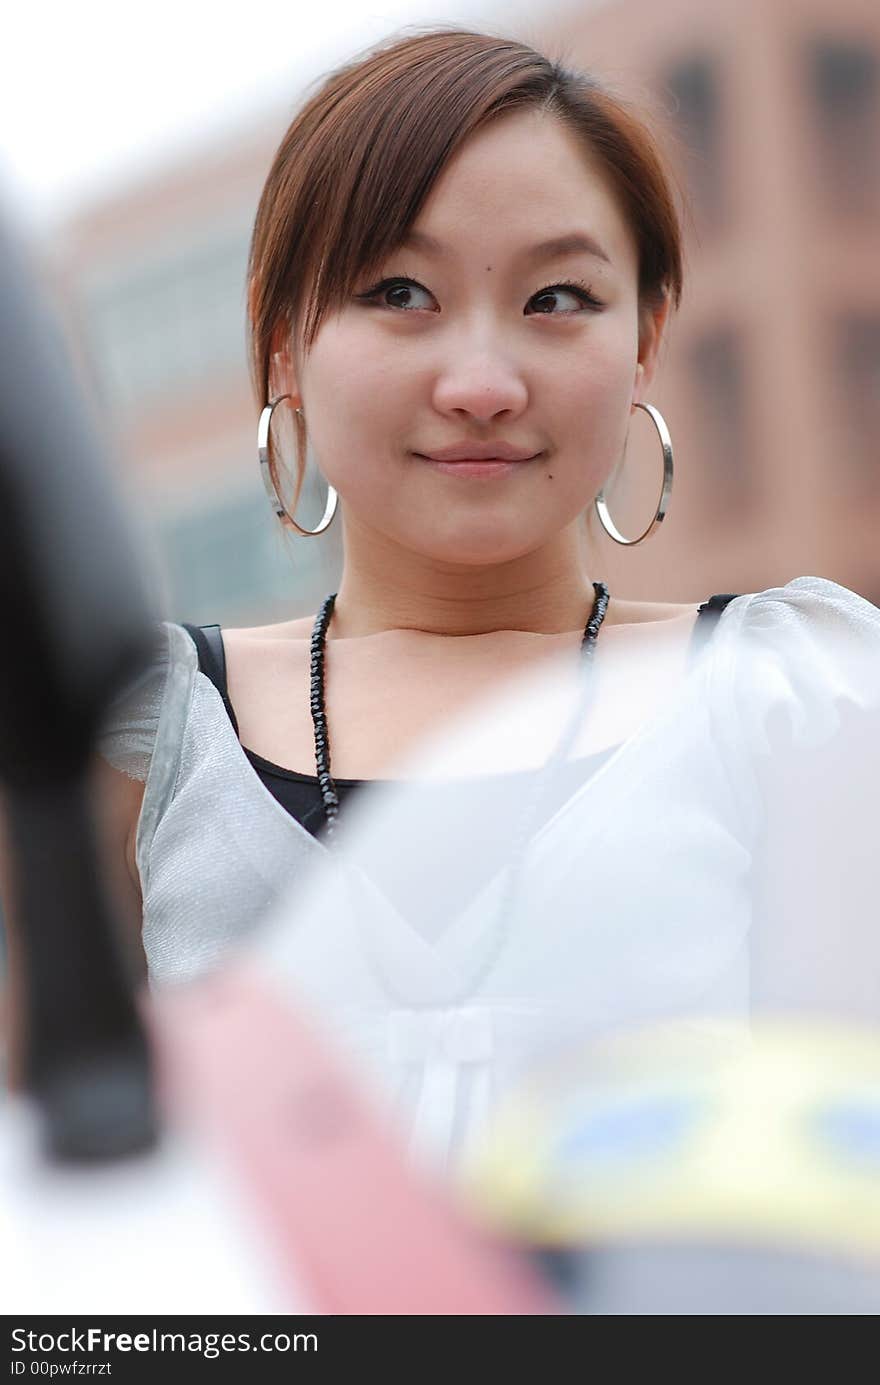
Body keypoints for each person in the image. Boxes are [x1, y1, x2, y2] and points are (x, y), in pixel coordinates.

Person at [96, 23, 878, 1066]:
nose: (481, 385)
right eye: (399, 295)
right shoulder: (140, 734)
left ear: (642, 345)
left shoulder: (789, 701)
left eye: (556, 299)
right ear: (284, 338)